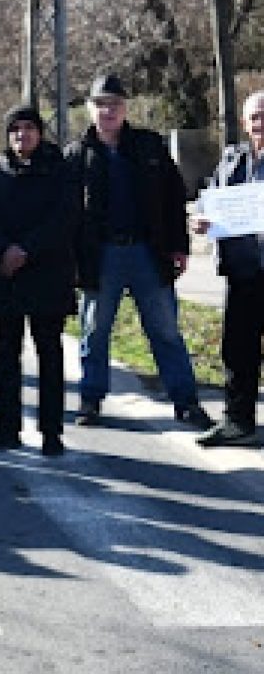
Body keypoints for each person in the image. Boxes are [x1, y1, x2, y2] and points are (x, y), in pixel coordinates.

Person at [65, 72, 212, 428]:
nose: (108, 111)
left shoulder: (149, 146)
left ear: (125, 108)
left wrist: (179, 246)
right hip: (101, 257)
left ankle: (186, 401)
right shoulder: (76, 155)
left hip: (148, 253)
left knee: (165, 331)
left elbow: (174, 198)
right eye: (101, 105)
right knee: (95, 332)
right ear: (89, 109)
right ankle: (91, 399)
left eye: (114, 104)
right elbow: (60, 208)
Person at [0, 105, 75, 456]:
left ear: (40, 132)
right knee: (5, 353)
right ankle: (6, 429)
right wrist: (5, 250)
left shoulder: (59, 170)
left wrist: (27, 250)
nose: (22, 135)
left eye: (29, 128)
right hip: (5, 275)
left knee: (49, 353)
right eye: (15, 129)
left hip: (47, 271)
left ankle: (51, 432)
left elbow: (65, 218)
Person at [193, 90, 264, 447]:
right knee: (237, 350)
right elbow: (209, 198)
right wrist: (203, 220)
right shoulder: (232, 161)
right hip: (242, 271)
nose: (260, 123)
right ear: (244, 123)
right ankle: (238, 422)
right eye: (254, 117)